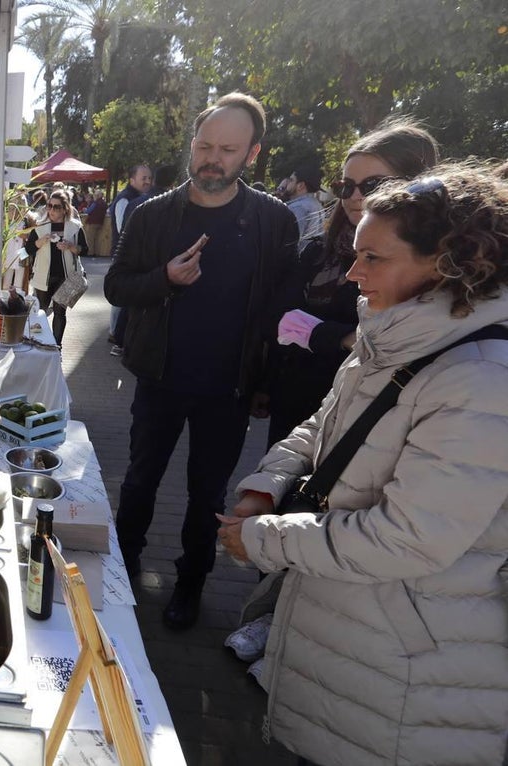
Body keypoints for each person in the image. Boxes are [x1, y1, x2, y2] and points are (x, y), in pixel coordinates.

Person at [218, 163, 508, 766]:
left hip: (413, 673)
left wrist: (265, 540)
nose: (354, 273)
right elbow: (323, 427)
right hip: (357, 637)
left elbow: (406, 539)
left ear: (448, 264)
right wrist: (266, 486)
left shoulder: (480, 380)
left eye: (373, 258)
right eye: (355, 254)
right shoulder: (393, 334)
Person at [103, 92, 298, 630]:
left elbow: (279, 311)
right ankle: (123, 566)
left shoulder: (273, 220)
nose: (213, 159)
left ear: (252, 154)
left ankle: (190, 584)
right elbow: (116, 286)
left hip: (228, 389)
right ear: (192, 145)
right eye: (205, 146)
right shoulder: (153, 214)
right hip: (160, 378)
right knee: (139, 482)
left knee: (206, 495)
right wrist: (164, 279)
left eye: (227, 150)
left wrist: (264, 382)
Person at [265, 121, 440, 447]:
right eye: (346, 186)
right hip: (300, 406)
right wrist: (346, 337)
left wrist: (321, 333)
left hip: (380, 420)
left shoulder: (439, 266)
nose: (355, 196)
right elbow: (279, 317)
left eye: (373, 185)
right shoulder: (318, 251)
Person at [25, 189, 87, 346]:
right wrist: (40, 242)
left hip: (66, 277)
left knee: (60, 312)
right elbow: (28, 250)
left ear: (65, 208)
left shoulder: (75, 227)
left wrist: (70, 246)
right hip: (43, 276)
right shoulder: (40, 227)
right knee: (41, 312)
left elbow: (85, 250)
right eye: (49, 206)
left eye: (56, 207)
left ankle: (56, 346)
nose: (51, 210)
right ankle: (39, 343)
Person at [107, 164, 153, 349]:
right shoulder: (124, 199)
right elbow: (123, 230)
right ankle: (114, 333)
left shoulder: (141, 198)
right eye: (144, 178)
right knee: (120, 296)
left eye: (149, 178)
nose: (148, 181)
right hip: (123, 256)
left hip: (133, 256)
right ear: (132, 180)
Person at [278, 164, 326, 245]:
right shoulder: (317, 205)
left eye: (291, 180)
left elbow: (289, 243)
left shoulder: (298, 208)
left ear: (300, 186)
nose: (288, 183)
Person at [83, 189, 107, 257]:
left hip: (93, 222)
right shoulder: (104, 203)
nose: (94, 196)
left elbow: (88, 211)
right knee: (96, 239)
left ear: (97, 196)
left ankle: (90, 253)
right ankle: (96, 252)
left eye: (95, 195)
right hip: (100, 222)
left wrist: (85, 210)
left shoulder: (95, 203)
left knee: (90, 238)